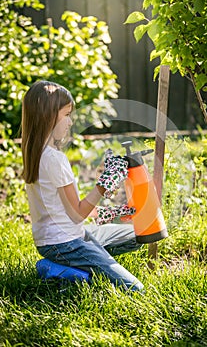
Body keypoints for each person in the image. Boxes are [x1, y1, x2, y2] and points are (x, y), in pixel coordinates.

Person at [21, 80, 144, 291]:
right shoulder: (55, 159)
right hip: (65, 244)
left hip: (56, 240)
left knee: (138, 234)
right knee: (134, 288)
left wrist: (113, 213)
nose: (70, 122)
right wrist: (103, 186)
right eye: (66, 115)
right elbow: (77, 214)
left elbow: (68, 210)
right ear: (48, 115)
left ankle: (79, 264)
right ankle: (67, 272)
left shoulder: (36, 153)